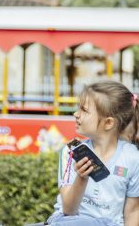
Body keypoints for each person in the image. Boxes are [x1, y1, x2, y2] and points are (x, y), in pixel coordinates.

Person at [45, 80, 139, 226]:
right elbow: (68, 209)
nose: (76, 114)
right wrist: (82, 178)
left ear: (108, 123)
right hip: (66, 221)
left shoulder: (133, 158)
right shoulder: (70, 152)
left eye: (84, 110)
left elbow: (132, 212)